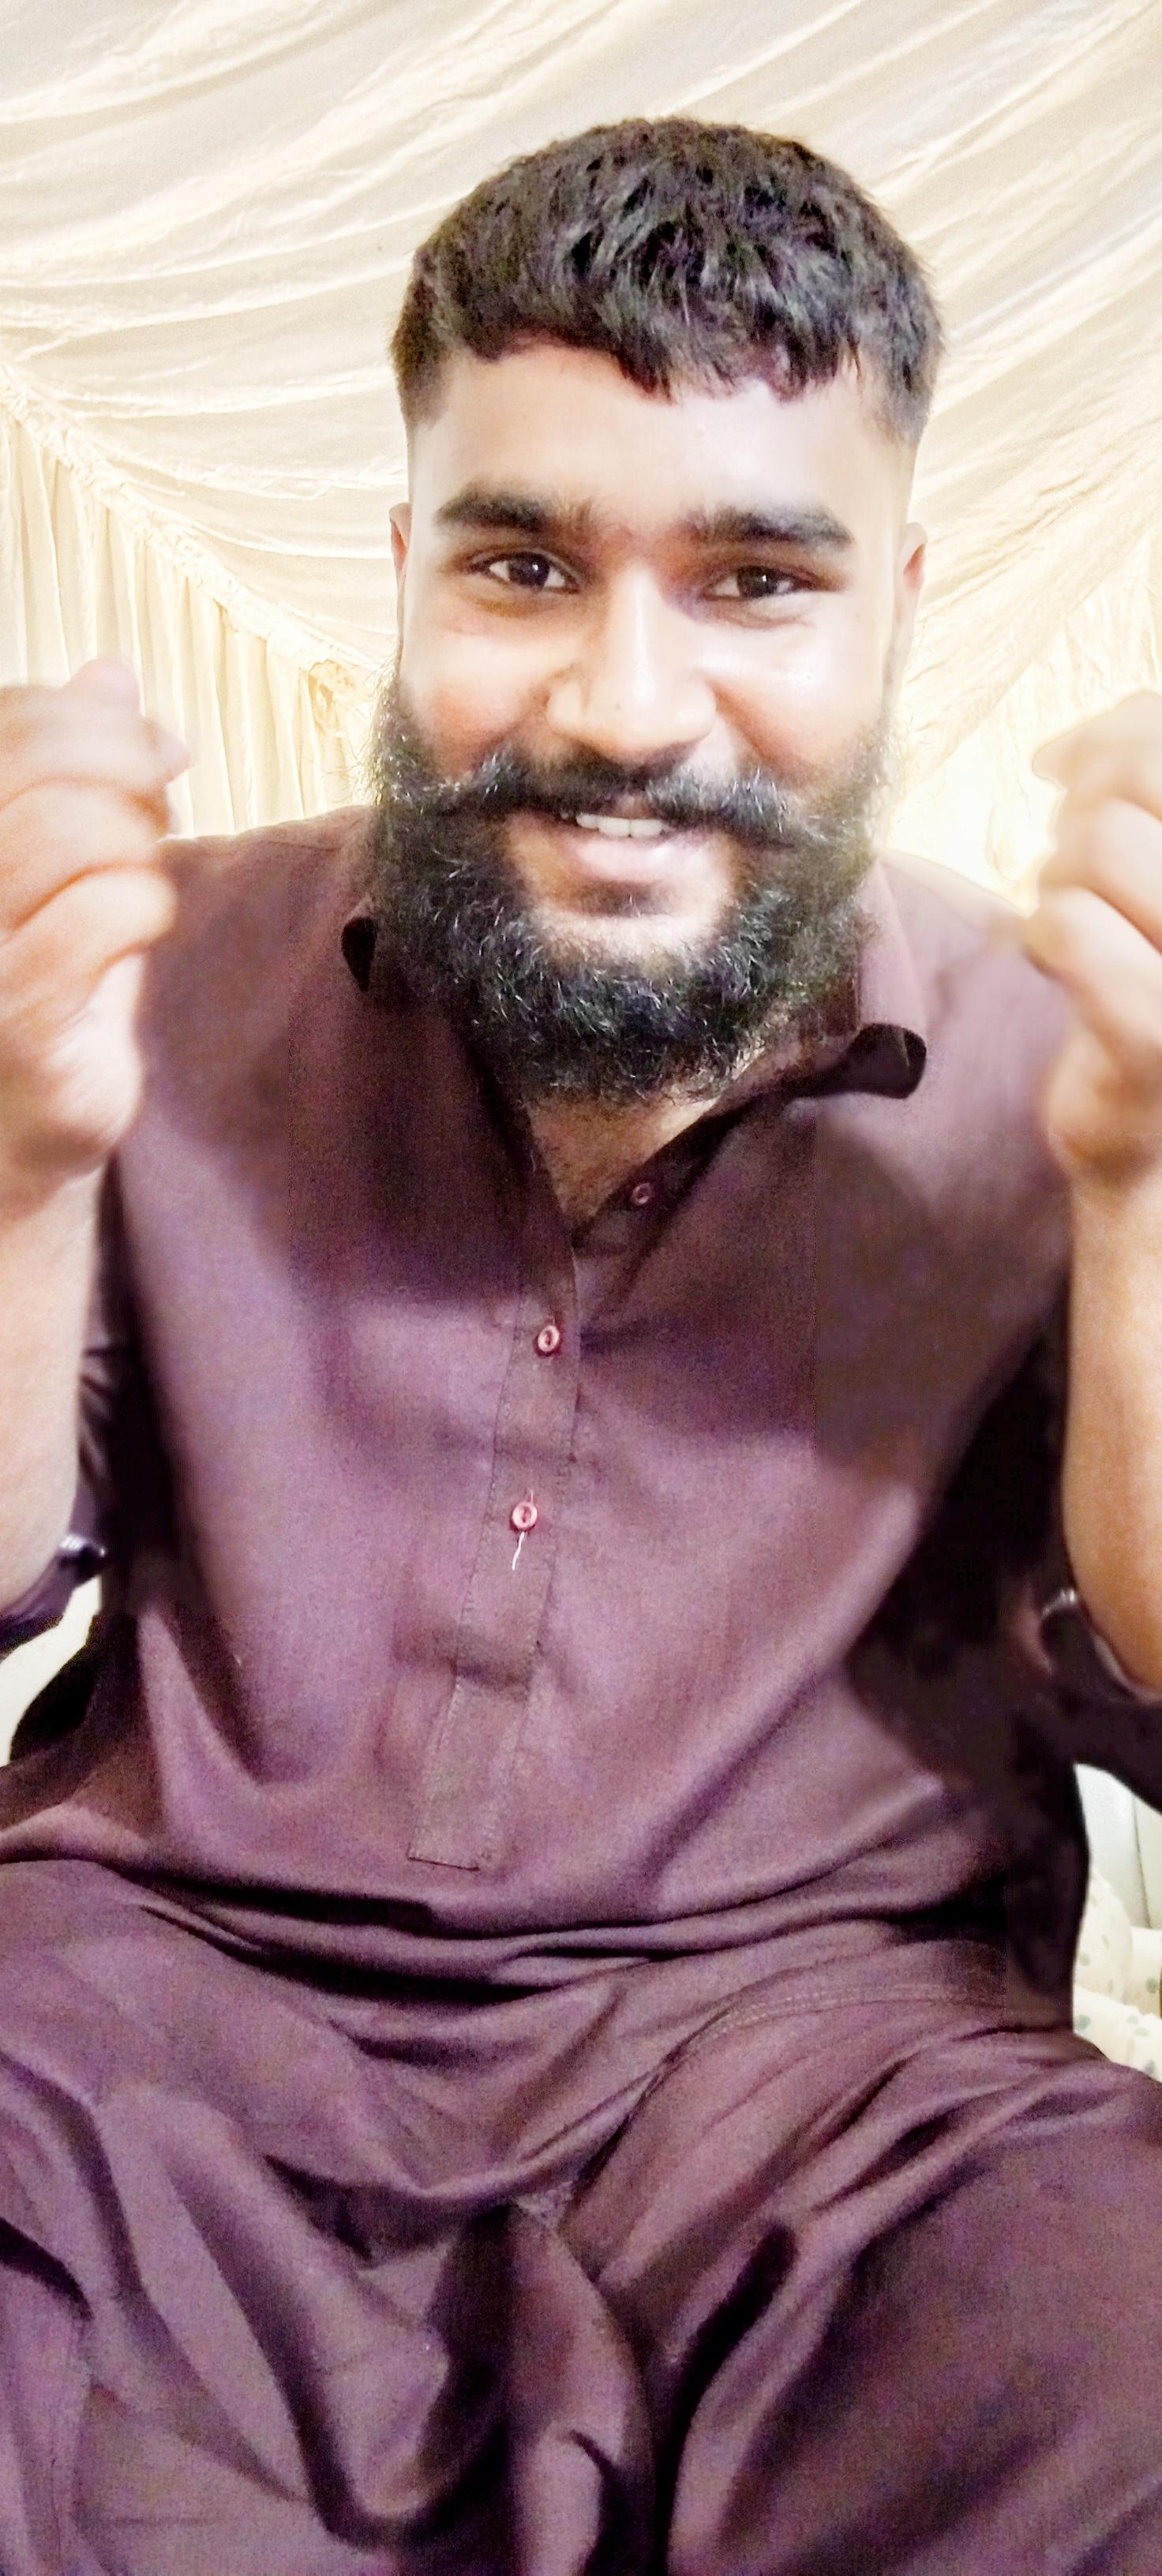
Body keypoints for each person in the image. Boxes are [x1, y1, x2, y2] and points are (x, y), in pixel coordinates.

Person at [2, 116, 1162, 2576]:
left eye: (757, 580)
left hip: (842, 2105)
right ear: (401, 571)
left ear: (898, 613)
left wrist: (1149, 1198)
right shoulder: (122, 972)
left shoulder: (1079, 1065)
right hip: (127, 2053)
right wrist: (14, 1179)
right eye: (523, 565)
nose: (628, 708)